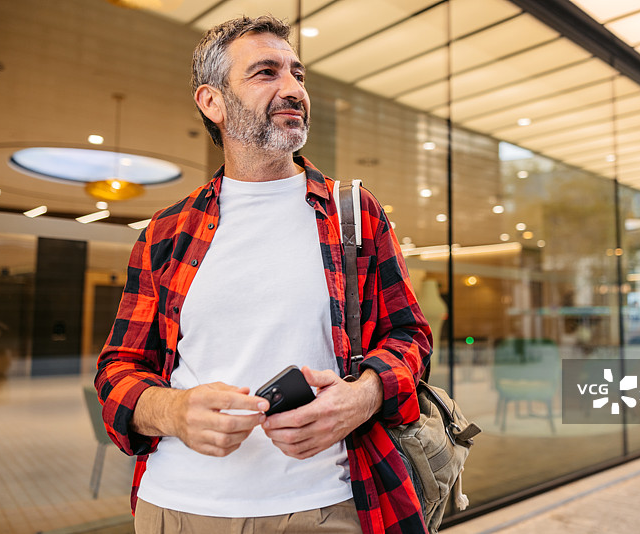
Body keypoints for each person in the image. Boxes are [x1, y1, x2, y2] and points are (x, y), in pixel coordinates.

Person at [95, 15, 432, 534]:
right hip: (177, 507)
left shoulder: (354, 213)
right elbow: (118, 370)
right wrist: (174, 410)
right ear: (212, 102)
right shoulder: (166, 232)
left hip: (323, 503)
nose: (294, 88)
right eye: (266, 73)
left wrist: (362, 395)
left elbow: (411, 337)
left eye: (298, 74)